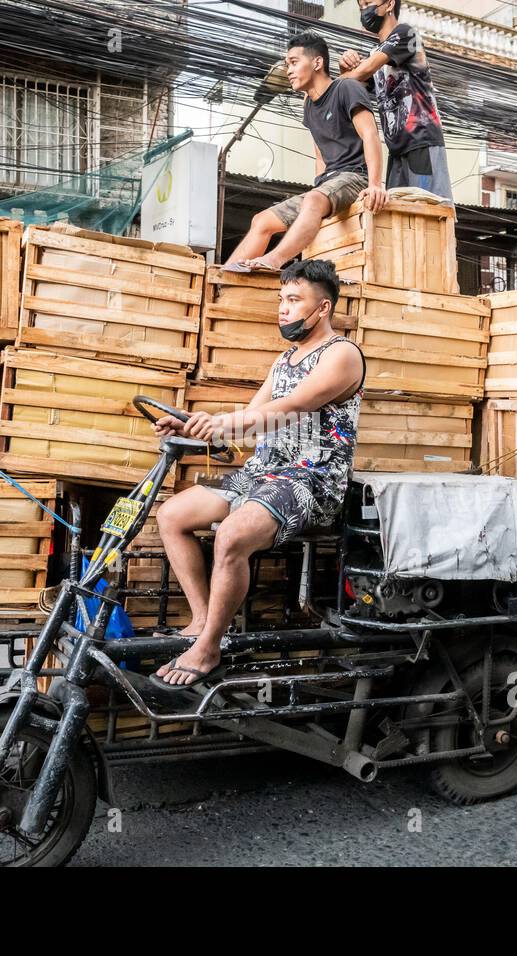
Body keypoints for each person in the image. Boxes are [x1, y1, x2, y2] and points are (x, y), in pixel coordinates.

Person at [149, 260, 365, 687]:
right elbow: (252, 415)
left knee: (231, 534)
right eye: (281, 300)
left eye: (293, 300)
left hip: (311, 480)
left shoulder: (342, 354)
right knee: (171, 516)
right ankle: (202, 621)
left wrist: (225, 424)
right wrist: (195, 425)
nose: (283, 309)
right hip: (263, 472)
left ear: (322, 308)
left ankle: (209, 648)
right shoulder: (284, 360)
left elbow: (288, 409)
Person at [226, 32, 387, 271]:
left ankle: (273, 260)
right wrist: (318, 192)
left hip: (356, 177)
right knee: (261, 221)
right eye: (286, 64)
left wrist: (374, 184)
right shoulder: (309, 105)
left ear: (317, 63)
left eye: (293, 62)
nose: (288, 70)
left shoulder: (347, 88)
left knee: (313, 199)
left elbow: (370, 135)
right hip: (328, 186)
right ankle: (223, 277)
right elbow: (320, 155)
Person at [337, 0, 454, 204]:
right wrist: (344, 68)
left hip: (422, 141)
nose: (365, 10)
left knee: (432, 211)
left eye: (369, 2)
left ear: (390, 3)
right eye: (361, 5)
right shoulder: (375, 55)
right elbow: (355, 85)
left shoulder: (405, 33)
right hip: (396, 151)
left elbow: (364, 71)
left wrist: (331, 84)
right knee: (398, 218)